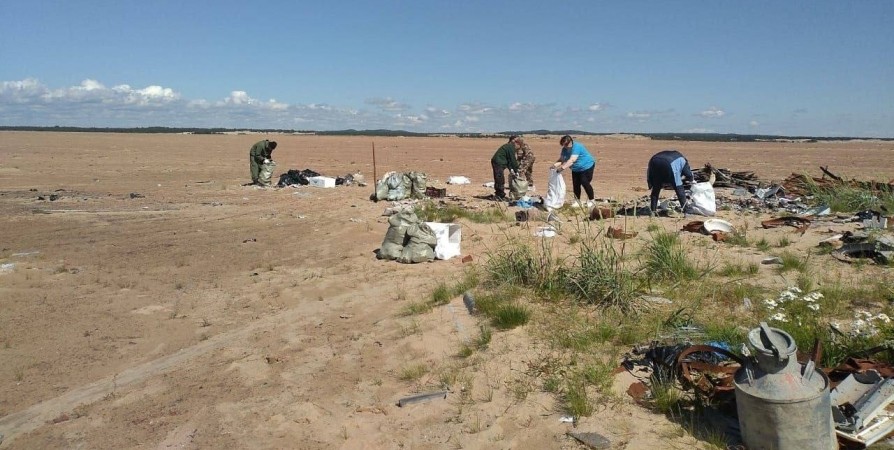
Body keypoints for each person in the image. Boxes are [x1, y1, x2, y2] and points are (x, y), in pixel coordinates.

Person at [553, 135, 596, 207]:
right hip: (576, 169)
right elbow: (562, 160)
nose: (565, 147)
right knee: (576, 184)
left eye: (566, 145)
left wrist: (562, 168)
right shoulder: (564, 149)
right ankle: (577, 201)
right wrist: (554, 166)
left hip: (586, 166)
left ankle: (592, 200)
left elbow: (572, 160)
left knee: (584, 182)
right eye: (564, 145)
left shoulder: (577, 147)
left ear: (571, 142)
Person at [646, 149, 694, 215]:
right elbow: (688, 175)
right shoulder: (683, 160)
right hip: (669, 164)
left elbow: (649, 172)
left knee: (656, 189)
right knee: (679, 189)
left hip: (654, 161)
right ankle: (686, 211)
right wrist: (690, 179)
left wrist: (650, 182)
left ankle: (653, 211)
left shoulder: (678, 157)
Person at [490, 136, 521, 200]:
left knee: (499, 178)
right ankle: (499, 195)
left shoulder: (509, 147)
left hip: (500, 162)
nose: (517, 149)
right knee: (499, 179)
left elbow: (509, 160)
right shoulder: (510, 147)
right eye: (518, 147)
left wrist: (511, 169)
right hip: (498, 162)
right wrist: (516, 170)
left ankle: (500, 194)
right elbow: (512, 160)